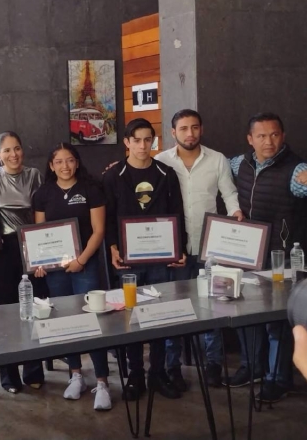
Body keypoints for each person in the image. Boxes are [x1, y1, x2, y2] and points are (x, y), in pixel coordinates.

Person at [155, 109, 242, 389]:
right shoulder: (161, 161)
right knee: (174, 308)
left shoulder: (217, 159)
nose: (189, 133)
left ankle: (214, 364)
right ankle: (173, 366)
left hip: (210, 246)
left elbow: (229, 194)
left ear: (201, 129)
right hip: (176, 249)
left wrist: (236, 213)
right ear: (173, 132)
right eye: (183, 128)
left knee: (213, 306)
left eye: (194, 127)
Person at [227, 112, 307, 403]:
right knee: (247, 315)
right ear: (250, 140)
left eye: (274, 134)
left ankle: (279, 379)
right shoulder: (239, 164)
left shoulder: (298, 169)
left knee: (277, 323)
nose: (269, 141)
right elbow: (210, 169)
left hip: (283, 259)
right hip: (247, 256)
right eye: (261, 136)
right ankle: (253, 368)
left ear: (283, 136)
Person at [102, 118, 187, 401]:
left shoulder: (166, 173)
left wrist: (180, 248)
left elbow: (177, 212)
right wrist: (113, 247)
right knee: (131, 317)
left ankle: (157, 373)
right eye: (136, 140)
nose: (142, 145)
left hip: (160, 258)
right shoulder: (113, 176)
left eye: (147, 140)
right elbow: (109, 217)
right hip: (128, 259)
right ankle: (135, 374)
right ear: (126, 142)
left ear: (154, 141)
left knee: (158, 316)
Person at [32, 142, 112, 411]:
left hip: (85, 265)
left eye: (70, 160)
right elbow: (41, 232)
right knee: (66, 321)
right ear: (51, 166)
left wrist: (81, 260)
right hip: (56, 270)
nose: (65, 166)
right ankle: (76, 375)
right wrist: (41, 262)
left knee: (93, 319)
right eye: (59, 162)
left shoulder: (91, 189)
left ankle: (101, 381)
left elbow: (98, 231)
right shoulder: (43, 193)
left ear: (77, 163)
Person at [0, 131, 46, 394]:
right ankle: (8, 375)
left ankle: (33, 370)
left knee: (34, 309)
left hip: (31, 248)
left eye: (17, 148)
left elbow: (43, 211)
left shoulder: (35, 175)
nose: (13, 154)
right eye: (7, 150)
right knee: (4, 312)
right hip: (1, 252)